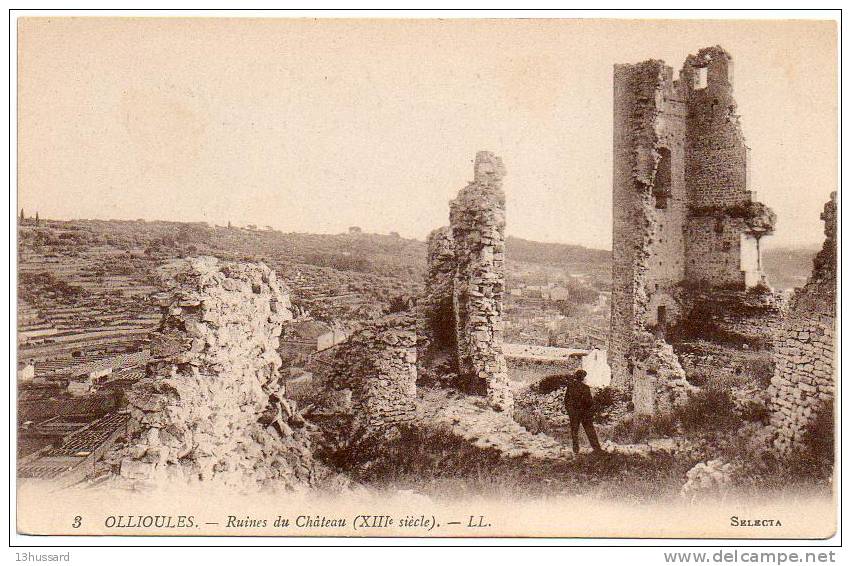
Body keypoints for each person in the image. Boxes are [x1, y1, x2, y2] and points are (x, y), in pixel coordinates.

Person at [564, 369, 603, 455]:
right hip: (584, 413)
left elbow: (566, 400)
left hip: (574, 413)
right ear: (582, 378)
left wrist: (570, 411)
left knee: (574, 431)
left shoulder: (570, 387)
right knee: (590, 430)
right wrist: (590, 411)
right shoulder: (585, 388)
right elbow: (589, 402)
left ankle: (576, 449)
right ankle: (597, 448)